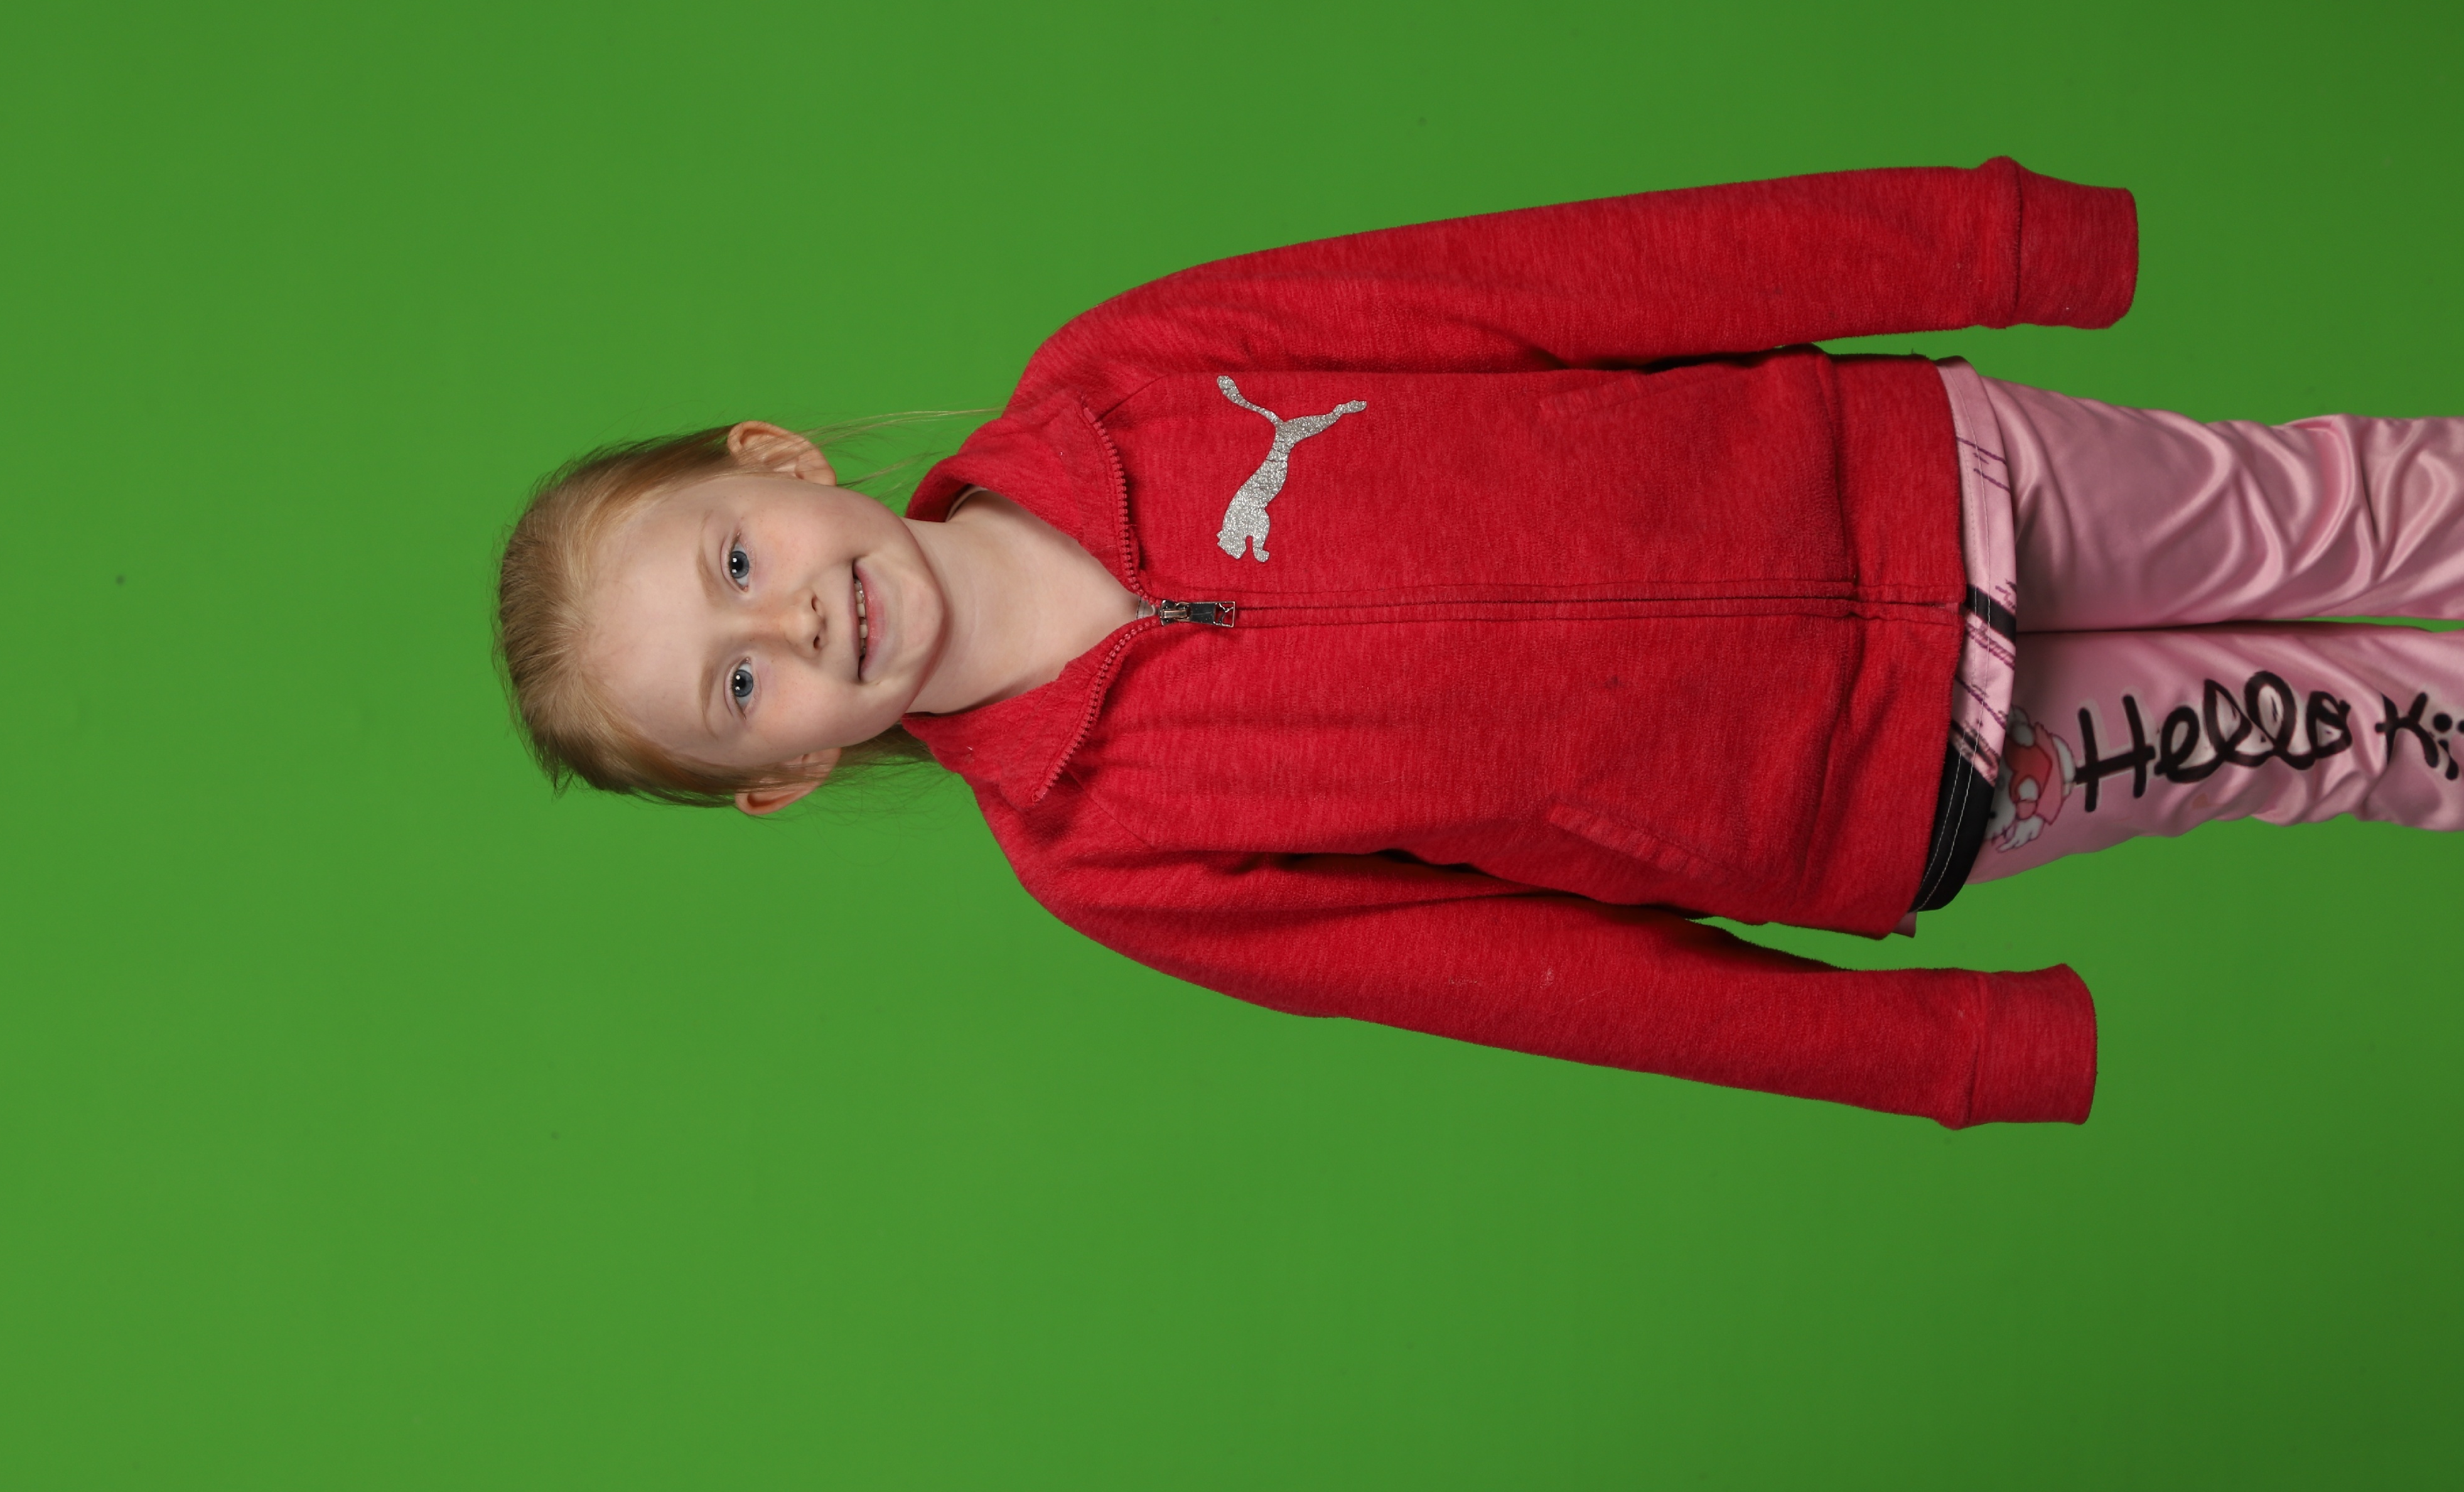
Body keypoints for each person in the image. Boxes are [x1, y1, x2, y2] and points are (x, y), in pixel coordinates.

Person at [493, 158, 2464, 1128]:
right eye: (738, 683)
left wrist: (1979, 243)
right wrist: (1939, 1052)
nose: (790, 617)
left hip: (1919, 474)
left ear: (779, 461)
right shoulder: (1107, 858)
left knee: (2356, 506)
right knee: (2345, 737)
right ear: (787, 770)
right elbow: (1538, 983)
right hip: (1888, 787)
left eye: (735, 556)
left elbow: (1543, 284)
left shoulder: (1128, 371)